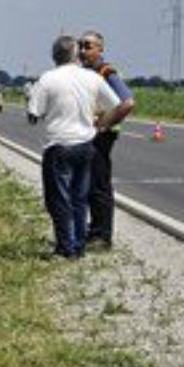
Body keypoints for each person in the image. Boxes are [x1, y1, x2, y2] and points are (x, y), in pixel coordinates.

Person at [26, 35, 126, 258]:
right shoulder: (92, 77)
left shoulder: (47, 79)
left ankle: (66, 247)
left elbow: (33, 114)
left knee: (59, 199)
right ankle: (79, 245)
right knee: (80, 198)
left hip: (59, 145)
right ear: (75, 55)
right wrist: (101, 124)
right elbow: (117, 104)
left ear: (54, 56)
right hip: (86, 146)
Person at [78, 31, 135, 248]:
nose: (83, 50)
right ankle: (94, 230)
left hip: (102, 137)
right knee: (89, 184)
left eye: (88, 46)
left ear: (100, 49)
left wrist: (104, 124)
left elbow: (127, 102)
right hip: (89, 135)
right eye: (81, 46)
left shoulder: (106, 72)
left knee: (99, 185)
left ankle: (103, 235)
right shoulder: (84, 73)